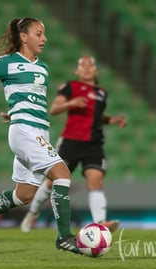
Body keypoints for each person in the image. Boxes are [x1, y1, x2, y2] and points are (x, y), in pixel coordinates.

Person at [0, 18, 81, 254]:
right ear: (24, 37)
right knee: (62, 175)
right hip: (25, 132)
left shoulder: (43, 67)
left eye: (44, 34)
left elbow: (29, 99)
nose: (44, 39)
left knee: (23, 195)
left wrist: (15, 111)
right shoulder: (8, 63)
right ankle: (64, 236)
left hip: (36, 129)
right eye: (39, 33)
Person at [20, 55, 127, 233]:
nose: (86, 68)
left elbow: (96, 117)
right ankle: (33, 213)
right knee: (50, 183)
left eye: (90, 65)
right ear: (77, 71)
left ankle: (101, 222)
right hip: (71, 142)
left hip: (94, 144)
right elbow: (54, 109)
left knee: (95, 181)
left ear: (95, 70)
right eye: (82, 65)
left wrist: (113, 120)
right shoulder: (70, 87)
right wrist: (71, 103)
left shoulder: (102, 92)